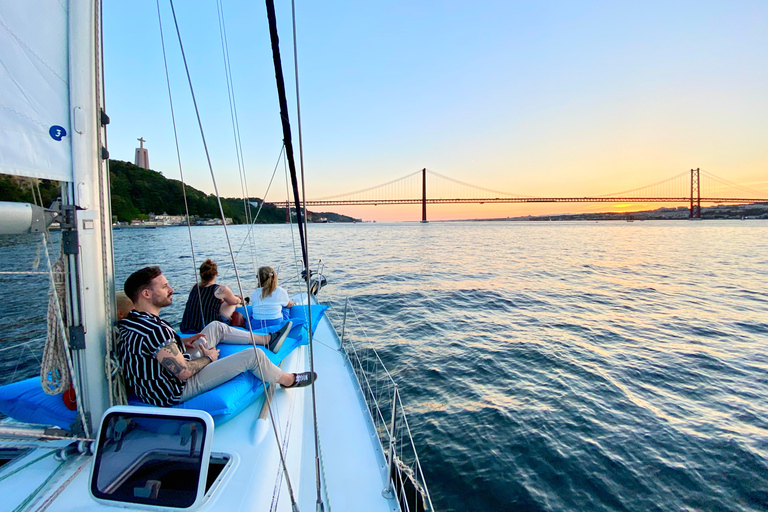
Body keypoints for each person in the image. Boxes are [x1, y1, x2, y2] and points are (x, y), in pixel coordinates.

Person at [118, 266, 316, 408]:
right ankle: (288, 380)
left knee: (215, 327)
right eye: (164, 287)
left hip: (164, 376)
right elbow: (184, 373)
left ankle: (267, 339)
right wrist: (209, 358)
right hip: (175, 390)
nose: (171, 290)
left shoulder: (133, 321)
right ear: (146, 293)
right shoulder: (153, 330)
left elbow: (153, 350)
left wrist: (179, 342)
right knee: (252, 356)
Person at [180, 259, 243, 334]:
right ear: (216, 273)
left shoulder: (195, 287)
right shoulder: (220, 290)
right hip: (208, 330)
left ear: (200, 274)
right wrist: (239, 300)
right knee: (233, 304)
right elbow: (234, 301)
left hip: (186, 328)